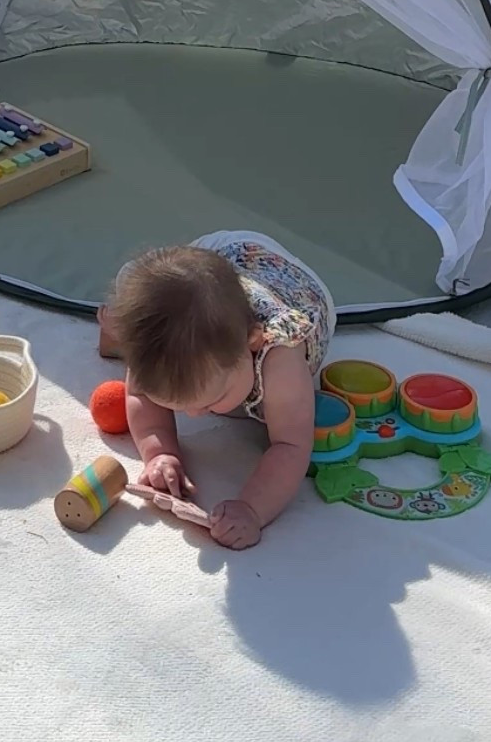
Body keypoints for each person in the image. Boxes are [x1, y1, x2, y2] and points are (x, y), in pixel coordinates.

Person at [98, 232, 335, 550]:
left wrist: (252, 509)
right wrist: (159, 452)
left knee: (182, 301)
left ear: (251, 343)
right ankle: (119, 326)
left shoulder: (280, 360)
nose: (194, 415)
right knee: (159, 299)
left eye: (214, 400)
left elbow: (292, 445)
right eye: (176, 405)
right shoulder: (171, 363)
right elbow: (139, 393)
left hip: (296, 285)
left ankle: (115, 328)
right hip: (217, 256)